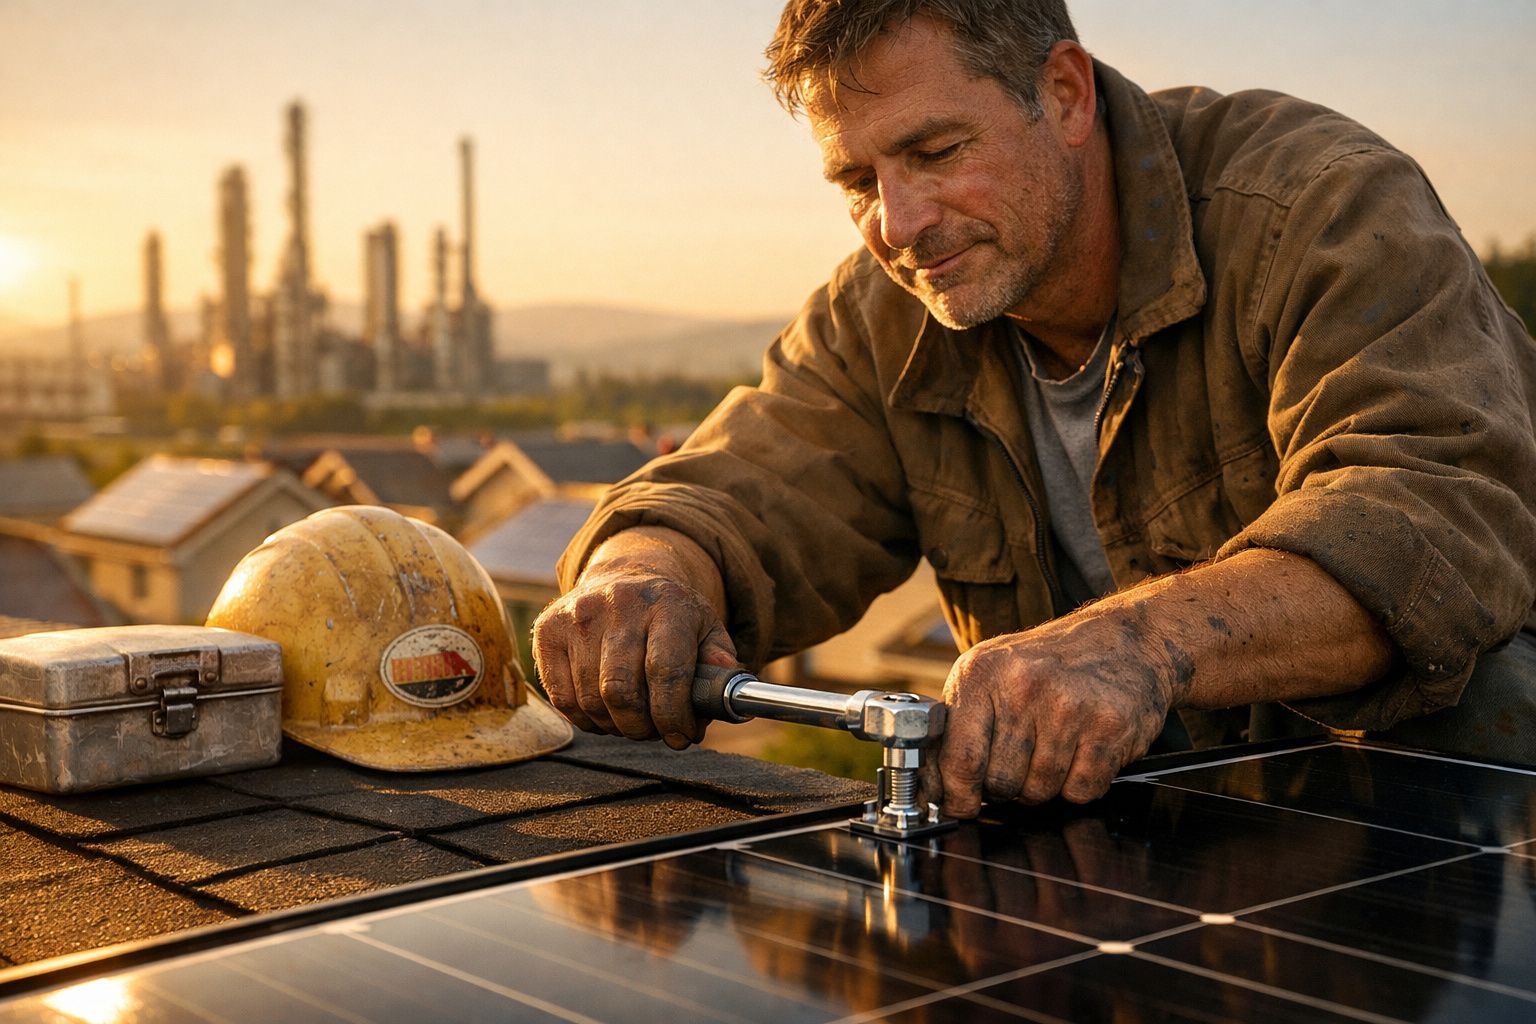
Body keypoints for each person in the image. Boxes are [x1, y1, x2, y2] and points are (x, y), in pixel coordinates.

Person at [533, 0, 1536, 817]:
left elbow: (1430, 516)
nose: (898, 224)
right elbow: (740, 488)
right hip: (1133, 879)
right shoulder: (883, 314)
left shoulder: (1320, 205)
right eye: (856, 178)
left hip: (1452, 846)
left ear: (1063, 94)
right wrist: (641, 573)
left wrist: (1136, 644)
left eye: (935, 149)